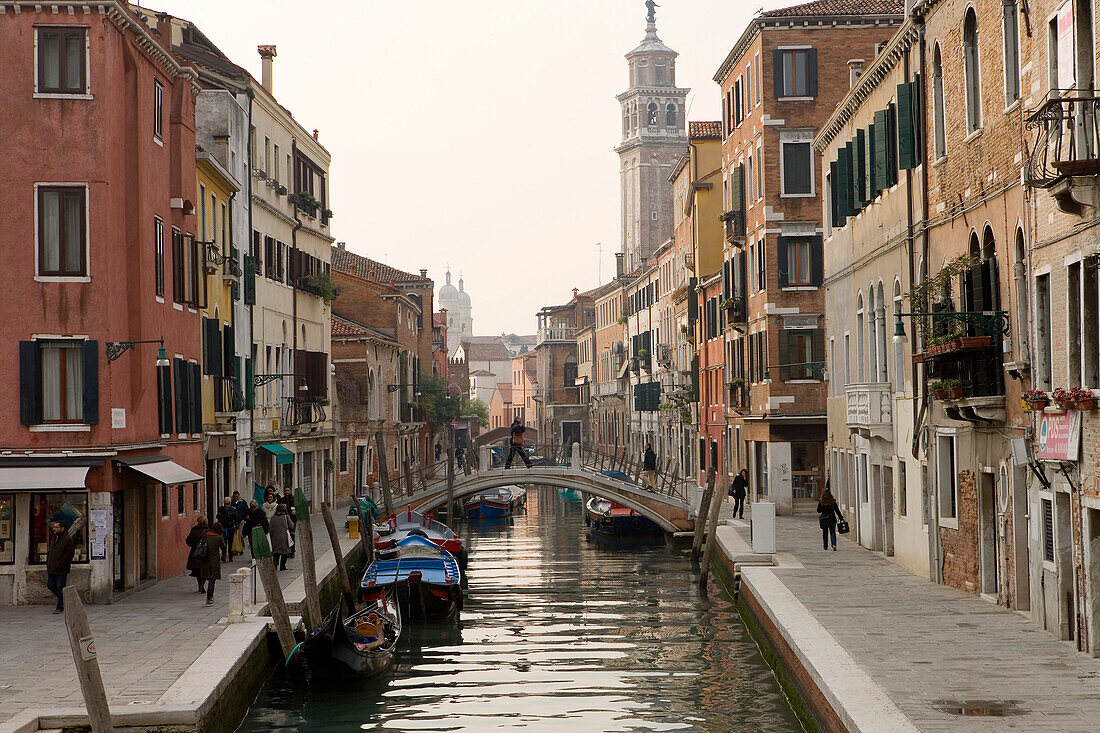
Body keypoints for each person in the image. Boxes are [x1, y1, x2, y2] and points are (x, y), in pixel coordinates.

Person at [45, 521, 75, 614]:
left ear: (62, 528)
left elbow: (69, 554)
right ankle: (64, 599)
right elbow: (51, 551)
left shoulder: (67, 539)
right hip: (52, 567)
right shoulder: (54, 538)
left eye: (56, 527)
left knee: (60, 587)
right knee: (50, 585)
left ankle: (60, 606)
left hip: (61, 568)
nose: (54, 528)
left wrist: (61, 563)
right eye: (54, 527)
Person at [199, 522, 225, 607]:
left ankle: (203, 588)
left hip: (205, 560)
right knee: (212, 580)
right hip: (214, 561)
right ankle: (209, 598)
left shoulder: (205, 536)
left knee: (206, 577)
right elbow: (223, 547)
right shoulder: (218, 538)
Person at [185, 515, 209, 593]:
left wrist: (195, 546)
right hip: (205, 552)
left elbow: (188, 541)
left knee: (198, 571)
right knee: (204, 569)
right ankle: (203, 584)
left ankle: (200, 585)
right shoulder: (208, 531)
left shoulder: (194, 530)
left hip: (196, 552)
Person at [269, 505, 294, 571]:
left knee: (276, 552)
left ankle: (275, 562)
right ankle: (282, 566)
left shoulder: (273, 517)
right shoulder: (286, 517)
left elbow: (270, 528)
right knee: (284, 552)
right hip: (284, 537)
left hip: (275, 537)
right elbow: (292, 526)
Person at [215, 497, 237, 562]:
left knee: (230, 543)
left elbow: (236, 518)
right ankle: (224, 555)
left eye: (228, 503)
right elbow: (218, 517)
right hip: (224, 528)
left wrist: (236, 527)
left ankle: (230, 556)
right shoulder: (221, 509)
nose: (227, 505)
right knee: (223, 543)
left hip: (231, 528)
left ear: (230, 503)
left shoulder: (233, 509)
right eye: (225, 503)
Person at [278, 486, 297, 557]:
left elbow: (298, 507)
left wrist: (295, 511)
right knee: (285, 535)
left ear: (290, 491)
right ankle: (286, 550)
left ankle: (292, 551)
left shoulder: (294, 499)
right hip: (284, 519)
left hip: (292, 519)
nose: (287, 492)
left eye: (288, 490)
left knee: (292, 534)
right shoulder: (282, 500)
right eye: (285, 490)